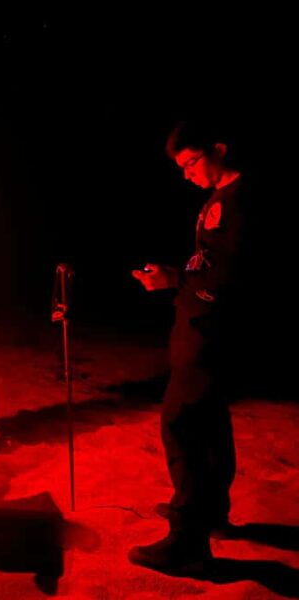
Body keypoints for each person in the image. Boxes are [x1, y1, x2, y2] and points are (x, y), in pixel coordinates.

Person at [129, 120, 252, 572]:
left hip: (212, 331)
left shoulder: (242, 202)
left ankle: (187, 539)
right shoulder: (221, 198)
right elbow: (211, 262)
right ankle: (210, 512)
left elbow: (230, 277)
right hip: (202, 327)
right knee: (210, 421)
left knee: (183, 424)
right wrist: (175, 275)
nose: (186, 174)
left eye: (192, 162)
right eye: (181, 167)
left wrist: (175, 281)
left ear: (219, 148)